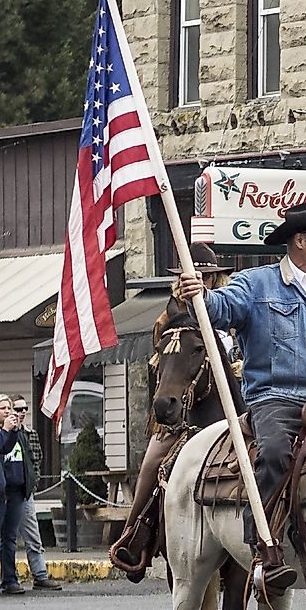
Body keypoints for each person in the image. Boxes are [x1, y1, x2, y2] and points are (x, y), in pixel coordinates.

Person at [178, 199, 306, 594]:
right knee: (273, 452)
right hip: (277, 398)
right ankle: (263, 547)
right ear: (300, 241)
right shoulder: (256, 284)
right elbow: (219, 309)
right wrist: (197, 295)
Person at [112, 243, 236, 581]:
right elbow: (165, 369)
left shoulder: (231, 315)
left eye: (206, 277)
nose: (198, 283)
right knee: (153, 460)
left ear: (216, 278)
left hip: (234, 409)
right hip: (184, 415)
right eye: (191, 277)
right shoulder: (169, 318)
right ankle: (133, 536)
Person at [9, 396, 62, 590]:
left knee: (33, 536)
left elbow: (36, 462)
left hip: (24, 492)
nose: (21, 413)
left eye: (24, 409)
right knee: (5, 539)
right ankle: (9, 578)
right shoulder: (0, 433)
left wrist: (32, 484)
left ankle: (40, 575)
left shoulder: (30, 434)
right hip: (5, 492)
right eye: (17, 409)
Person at [0, 394, 27, 595]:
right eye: (3, 408)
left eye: (9, 408)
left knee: (6, 537)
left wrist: (12, 431)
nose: (8, 412)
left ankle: (9, 579)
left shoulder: (0, 431)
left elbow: (5, 447)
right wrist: (5, 430)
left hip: (4, 489)